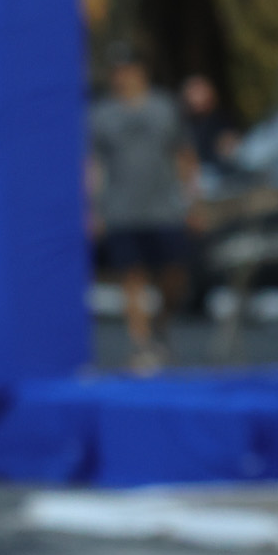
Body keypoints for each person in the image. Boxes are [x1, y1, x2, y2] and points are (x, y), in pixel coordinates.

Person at [88, 48, 197, 373]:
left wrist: (192, 199)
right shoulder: (102, 114)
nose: (122, 76)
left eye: (128, 69)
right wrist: (92, 207)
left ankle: (160, 325)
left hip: (164, 207)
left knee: (175, 276)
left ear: (141, 71)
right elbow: (93, 164)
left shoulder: (164, 107)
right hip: (122, 208)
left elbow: (184, 154)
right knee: (131, 277)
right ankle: (142, 343)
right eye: (117, 71)